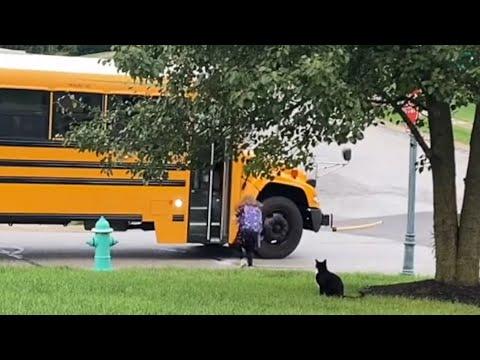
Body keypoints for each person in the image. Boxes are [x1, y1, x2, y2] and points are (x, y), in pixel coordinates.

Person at [235, 196, 263, 267]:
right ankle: (250, 264)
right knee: (250, 249)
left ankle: (242, 260)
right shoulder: (258, 210)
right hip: (255, 232)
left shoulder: (244, 208)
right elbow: (260, 222)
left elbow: (240, 220)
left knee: (239, 245)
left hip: (246, 230)